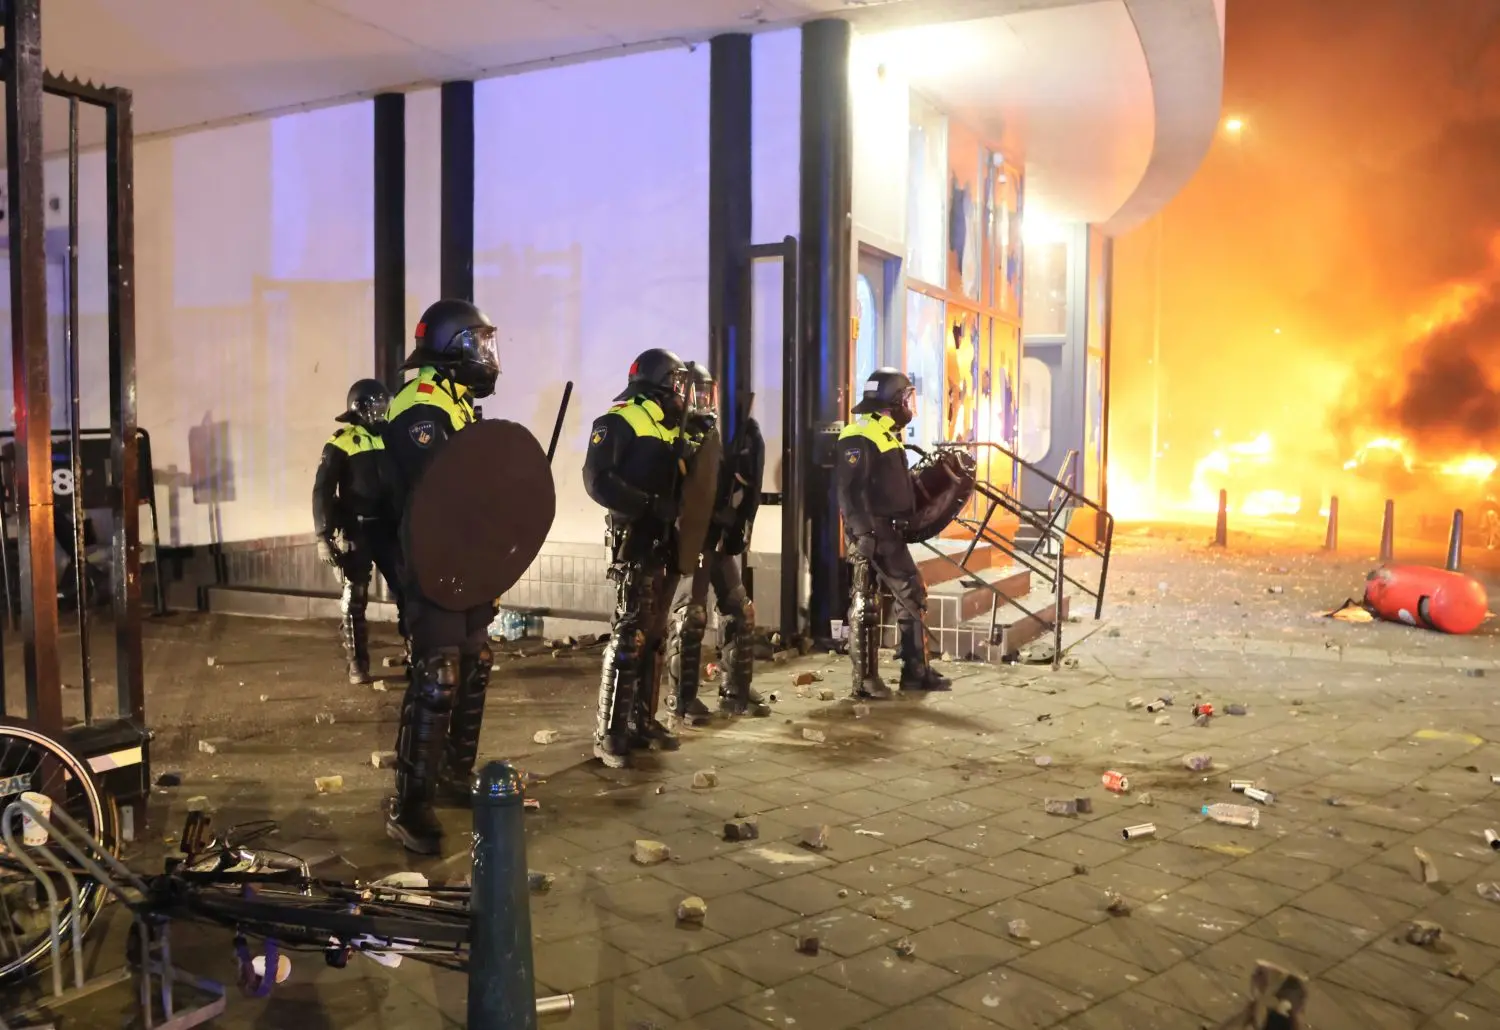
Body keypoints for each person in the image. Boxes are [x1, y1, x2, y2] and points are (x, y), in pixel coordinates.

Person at [379, 299, 501, 854]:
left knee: (476, 663)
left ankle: (454, 776)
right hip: (431, 562)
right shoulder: (420, 408)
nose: (487, 356)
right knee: (438, 676)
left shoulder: (457, 405)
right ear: (451, 348)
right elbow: (441, 489)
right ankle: (410, 806)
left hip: (467, 561)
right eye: (478, 343)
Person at [582, 348, 693, 768]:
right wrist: (645, 503)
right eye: (676, 383)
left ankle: (642, 721)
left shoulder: (668, 427)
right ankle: (609, 733)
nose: (681, 392)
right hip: (633, 538)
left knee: (655, 634)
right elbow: (597, 479)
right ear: (658, 383)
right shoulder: (619, 420)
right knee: (629, 635)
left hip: (664, 540)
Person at [837, 367, 952, 698]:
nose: (909, 405)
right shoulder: (858, 435)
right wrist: (862, 533)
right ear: (894, 400)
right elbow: (849, 489)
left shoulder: (886, 434)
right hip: (871, 532)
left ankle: (915, 672)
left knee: (911, 593)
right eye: (906, 398)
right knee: (865, 602)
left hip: (890, 532)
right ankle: (865, 681)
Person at [665, 361, 770, 723]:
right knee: (690, 616)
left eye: (708, 393)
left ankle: (735, 689)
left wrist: (737, 523)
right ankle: (682, 698)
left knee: (739, 610)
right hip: (692, 538)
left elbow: (742, 488)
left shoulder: (726, 434)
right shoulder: (678, 434)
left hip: (719, 538)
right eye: (697, 393)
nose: (704, 401)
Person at [313, 378, 406, 685]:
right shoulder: (341, 441)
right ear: (360, 408)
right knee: (355, 596)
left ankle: (417, 659)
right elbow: (322, 490)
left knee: (408, 591)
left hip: (389, 528)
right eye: (376, 406)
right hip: (357, 528)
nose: (381, 412)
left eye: (384, 406)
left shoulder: (390, 437)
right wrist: (323, 535)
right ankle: (357, 665)